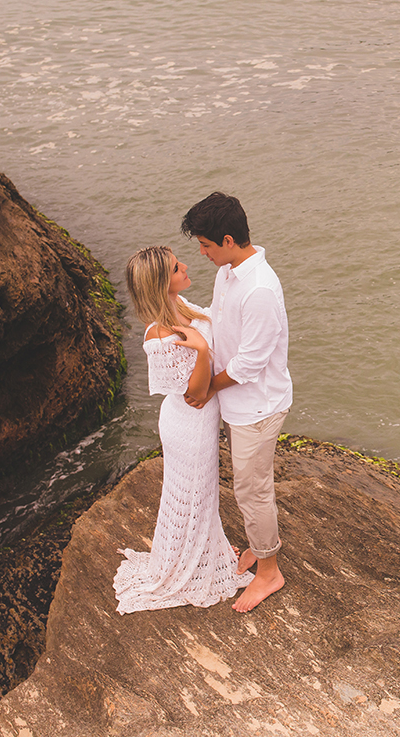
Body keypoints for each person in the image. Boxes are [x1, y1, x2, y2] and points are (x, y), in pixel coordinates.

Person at [113, 246, 251, 614]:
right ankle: (186, 569)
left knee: (202, 496)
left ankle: (210, 551)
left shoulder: (182, 306)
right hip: (188, 425)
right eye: (176, 267)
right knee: (191, 497)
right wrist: (203, 351)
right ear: (162, 282)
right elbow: (195, 394)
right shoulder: (157, 336)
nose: (186, 266)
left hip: (201, 423)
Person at [181, 192, 292, 613]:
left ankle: (269, 572)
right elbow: (219, 318)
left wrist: (208, 386)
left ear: (228, 240)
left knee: (252, 490)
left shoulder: (260, 288)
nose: (204, 254)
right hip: (240, 403)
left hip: (259, 406)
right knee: (248, 487)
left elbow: (249, 363)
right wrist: (178, 310)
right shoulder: (229, 272)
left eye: (207, 246)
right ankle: (258, 548)